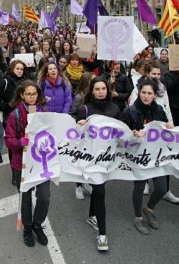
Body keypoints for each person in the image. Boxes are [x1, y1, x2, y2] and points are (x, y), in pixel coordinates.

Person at [74, 77, 121, 251]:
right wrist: (79, 126)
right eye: (97, 89)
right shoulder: (85, 110)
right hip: (90, 159)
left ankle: (92, 215)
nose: (101, 92)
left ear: (107, 90)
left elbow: (124, 130)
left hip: (107, 160)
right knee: (100, 190)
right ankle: (102, 235)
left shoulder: (115, 109)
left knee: (98, 188)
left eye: (103, 89)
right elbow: (75, 137)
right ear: (91, 91)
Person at [4, 80, 50, 248]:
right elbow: (8, 140)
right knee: (25, 199)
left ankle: (38, 224)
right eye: (28, 94)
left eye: (34, 94)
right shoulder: (14, 115)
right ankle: (27, 228)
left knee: (44, 197)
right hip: (21, 163)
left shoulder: (44, 111)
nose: (32, 97)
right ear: (22, 95)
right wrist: (19, 142)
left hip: (41, 162)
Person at [122, 79, 170, 235]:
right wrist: (134, 134)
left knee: (162, 188)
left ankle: (148, 209)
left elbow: (164, 131)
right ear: (139, 92)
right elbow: (123, 134)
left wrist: (169, 127)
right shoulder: (130, 111)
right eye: (143, 92)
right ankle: (138, 217)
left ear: (155, 95)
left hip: (156, 155)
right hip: (138, 156)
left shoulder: (159, 111)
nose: (146, 96)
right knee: (139, 187)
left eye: (150, 93)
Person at [68, 71, 96, 200]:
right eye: (93, 80)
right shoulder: (79, 97)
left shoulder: (94, 95)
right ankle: (78, 186)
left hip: (92, 134)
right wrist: (78, 123)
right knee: (80, 160)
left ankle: (87, 182)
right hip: (80, 133)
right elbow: (71, 113)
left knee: (90, 159)